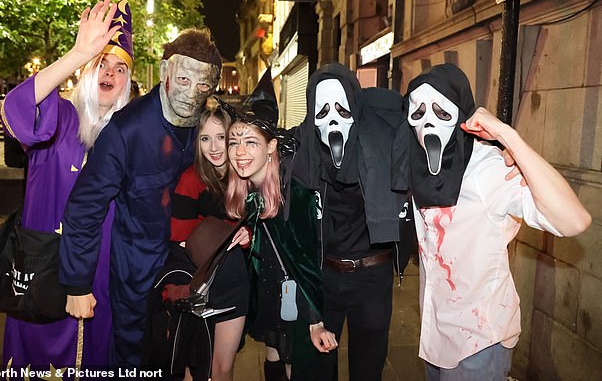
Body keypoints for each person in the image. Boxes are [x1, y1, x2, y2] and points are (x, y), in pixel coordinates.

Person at [402, 63, 591, 380]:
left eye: (440, 111)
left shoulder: (485, 169)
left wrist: (508, 136)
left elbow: (574, 220)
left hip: (479, 344)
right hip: (434, 335)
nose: (428, 123)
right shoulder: (414, 165)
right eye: (417, 112)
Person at [59, 27, 223, 366]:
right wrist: (76, 282)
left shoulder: (205, 128)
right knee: (134, 359)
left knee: (182, 356)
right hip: (135, 270)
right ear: (164, 73)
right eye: (183, 80)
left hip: (190, 267)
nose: (192, 93)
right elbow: (86, 205)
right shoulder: (125, 130)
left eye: (204, 85)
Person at [0, 0, 133, 374]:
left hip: (102, 287)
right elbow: (14, 111)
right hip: (42, 279)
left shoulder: (129, 137)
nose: (109, 73)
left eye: (119, 68)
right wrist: (78, 53)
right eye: (100, 64)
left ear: (127, 81)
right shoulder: (58, 116)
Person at [290, 62, 409, 381]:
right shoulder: (306, 157)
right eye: (322, 110)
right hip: (324, 276)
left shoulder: (381, 149)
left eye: (342, 109)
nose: (332, 120)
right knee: (317, 368)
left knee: (368, 369)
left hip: (372, 276)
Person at [222, 93, 338, 381]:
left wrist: (315, 321)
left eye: (251, 143)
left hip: (297, 297)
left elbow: (306, 258)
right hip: (270, 293)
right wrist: (250, 236)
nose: (239, 152)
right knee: (273, 354)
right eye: (234, 143)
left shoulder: (293, 192)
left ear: (271, 146)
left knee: (294, 363)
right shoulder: (247, 188)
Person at [167, 99, 250, 380]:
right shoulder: (190, 179)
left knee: (223, 367)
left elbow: (261, 229)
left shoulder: (245, 175)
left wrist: (248, 236)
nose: (214, 147)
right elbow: (179, 235)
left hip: (235, 283)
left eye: (220, 137)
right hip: (199, 284)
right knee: (195, 366)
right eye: (205, 138)